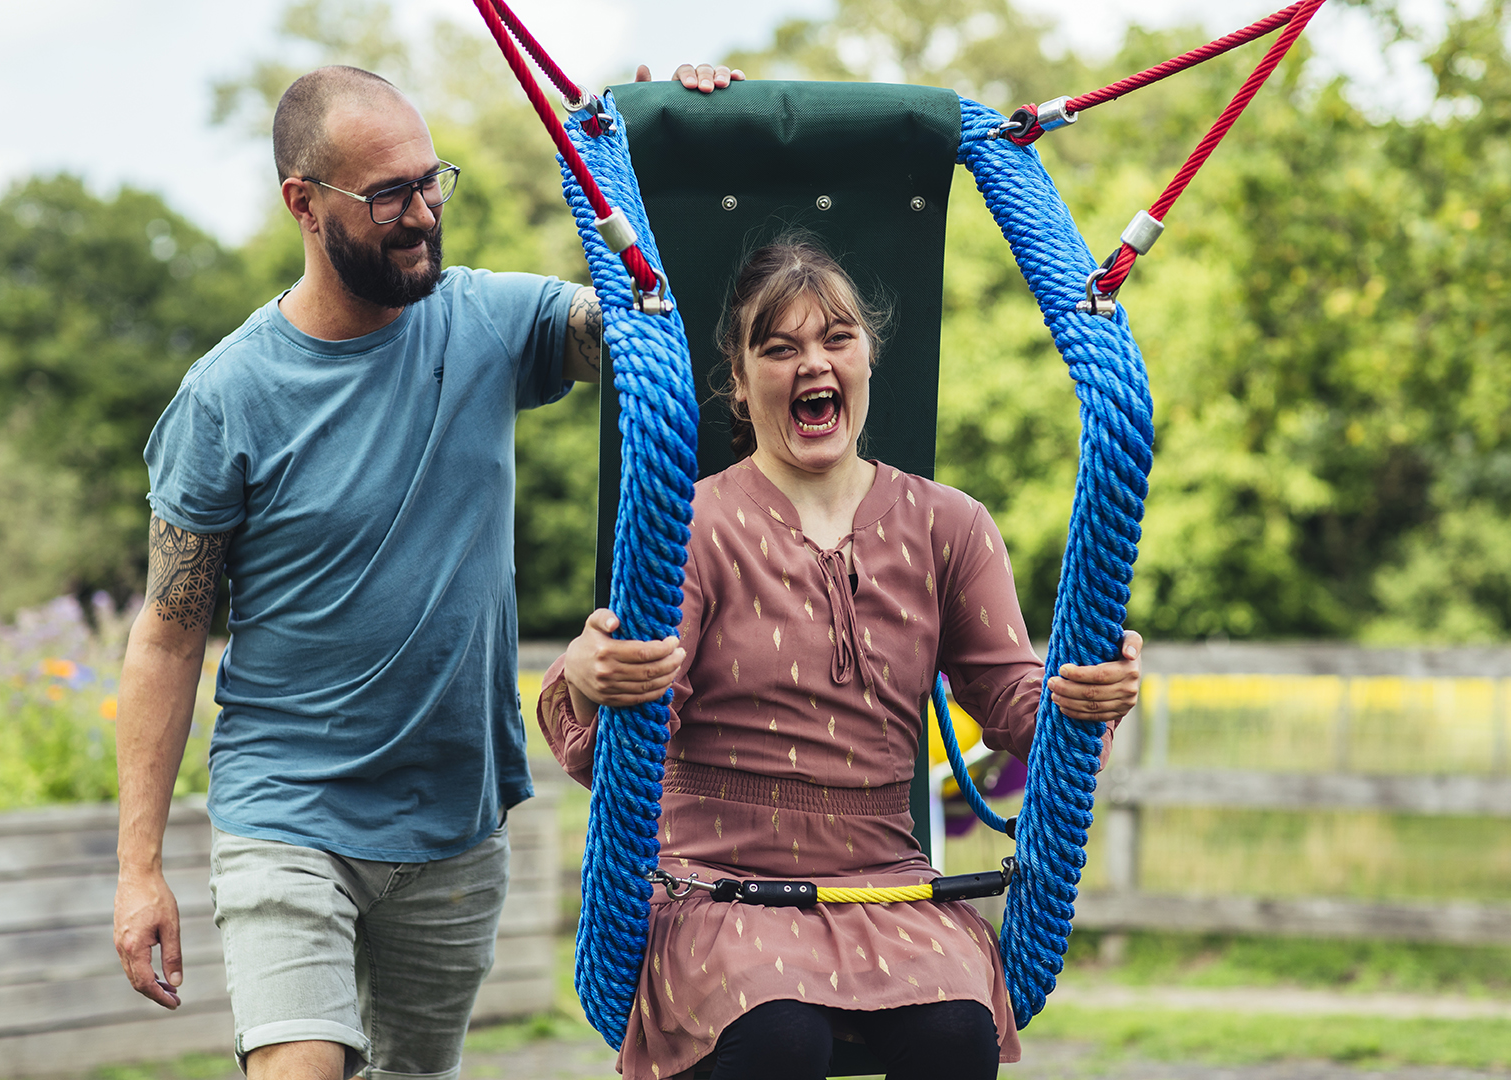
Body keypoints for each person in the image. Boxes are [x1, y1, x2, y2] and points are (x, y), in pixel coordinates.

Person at [112, 62, 742, 1080]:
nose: (421, 214)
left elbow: (654, 320)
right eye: (387, 195)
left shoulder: (489, 319)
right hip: (289, 816)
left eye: (429, 180)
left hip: (454, 824)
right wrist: (138, 868)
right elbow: (168, 633)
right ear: (303, 203)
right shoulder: (228, 396)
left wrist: (678, 137)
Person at [538, 238, 1143, 1080]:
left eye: (836, 338)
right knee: (780, 1037)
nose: (813, 363)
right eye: (779, 348)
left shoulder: (949, 525)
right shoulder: (693, 527)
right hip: (718, 883)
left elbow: (1009, 693)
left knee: (957, 1034)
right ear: (739, 382)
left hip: (883, 881)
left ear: (867, 357)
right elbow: (629, 734)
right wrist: (590, 679)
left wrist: (1083, 696)